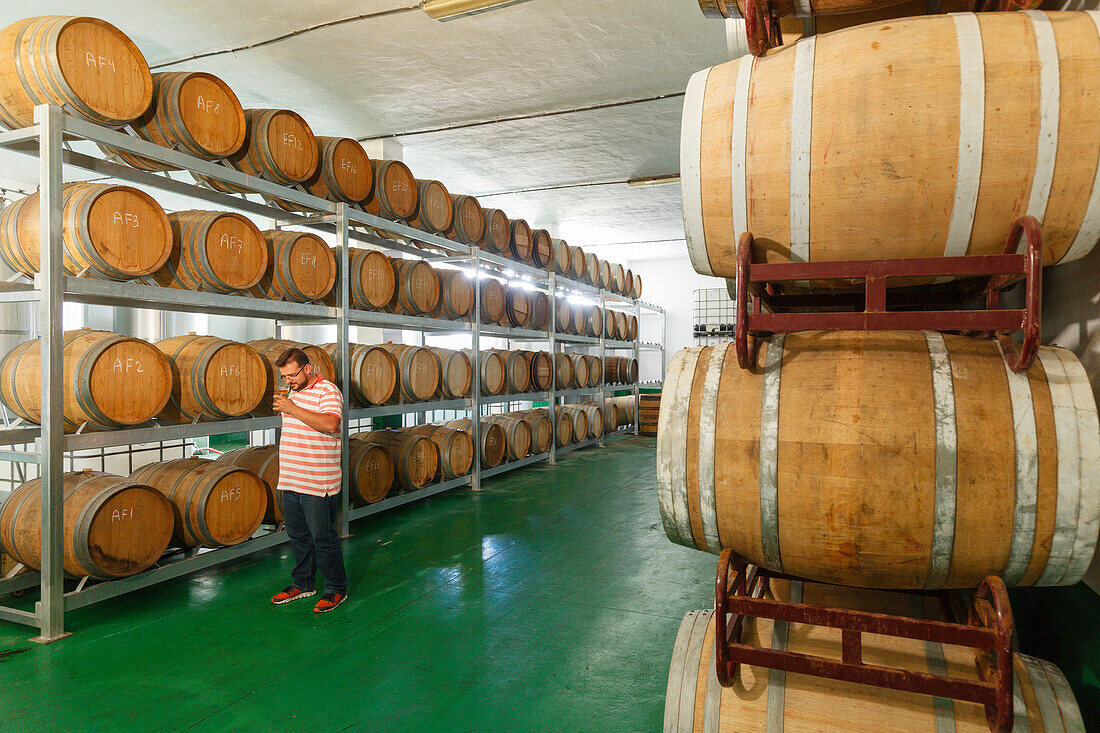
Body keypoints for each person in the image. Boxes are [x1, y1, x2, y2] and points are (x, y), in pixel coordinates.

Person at [269, 347, 348, 613]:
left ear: (307, 368)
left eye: (292, 375)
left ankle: (336, 589)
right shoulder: (292, 392)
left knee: (323, 538)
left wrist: (291, 408)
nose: (288, 381)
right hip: (291, 479)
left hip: (318, 481)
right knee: (298, 536)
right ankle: (303, 583)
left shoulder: (328, 391)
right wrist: (291, 403)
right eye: (284, 377)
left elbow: (330, 425)